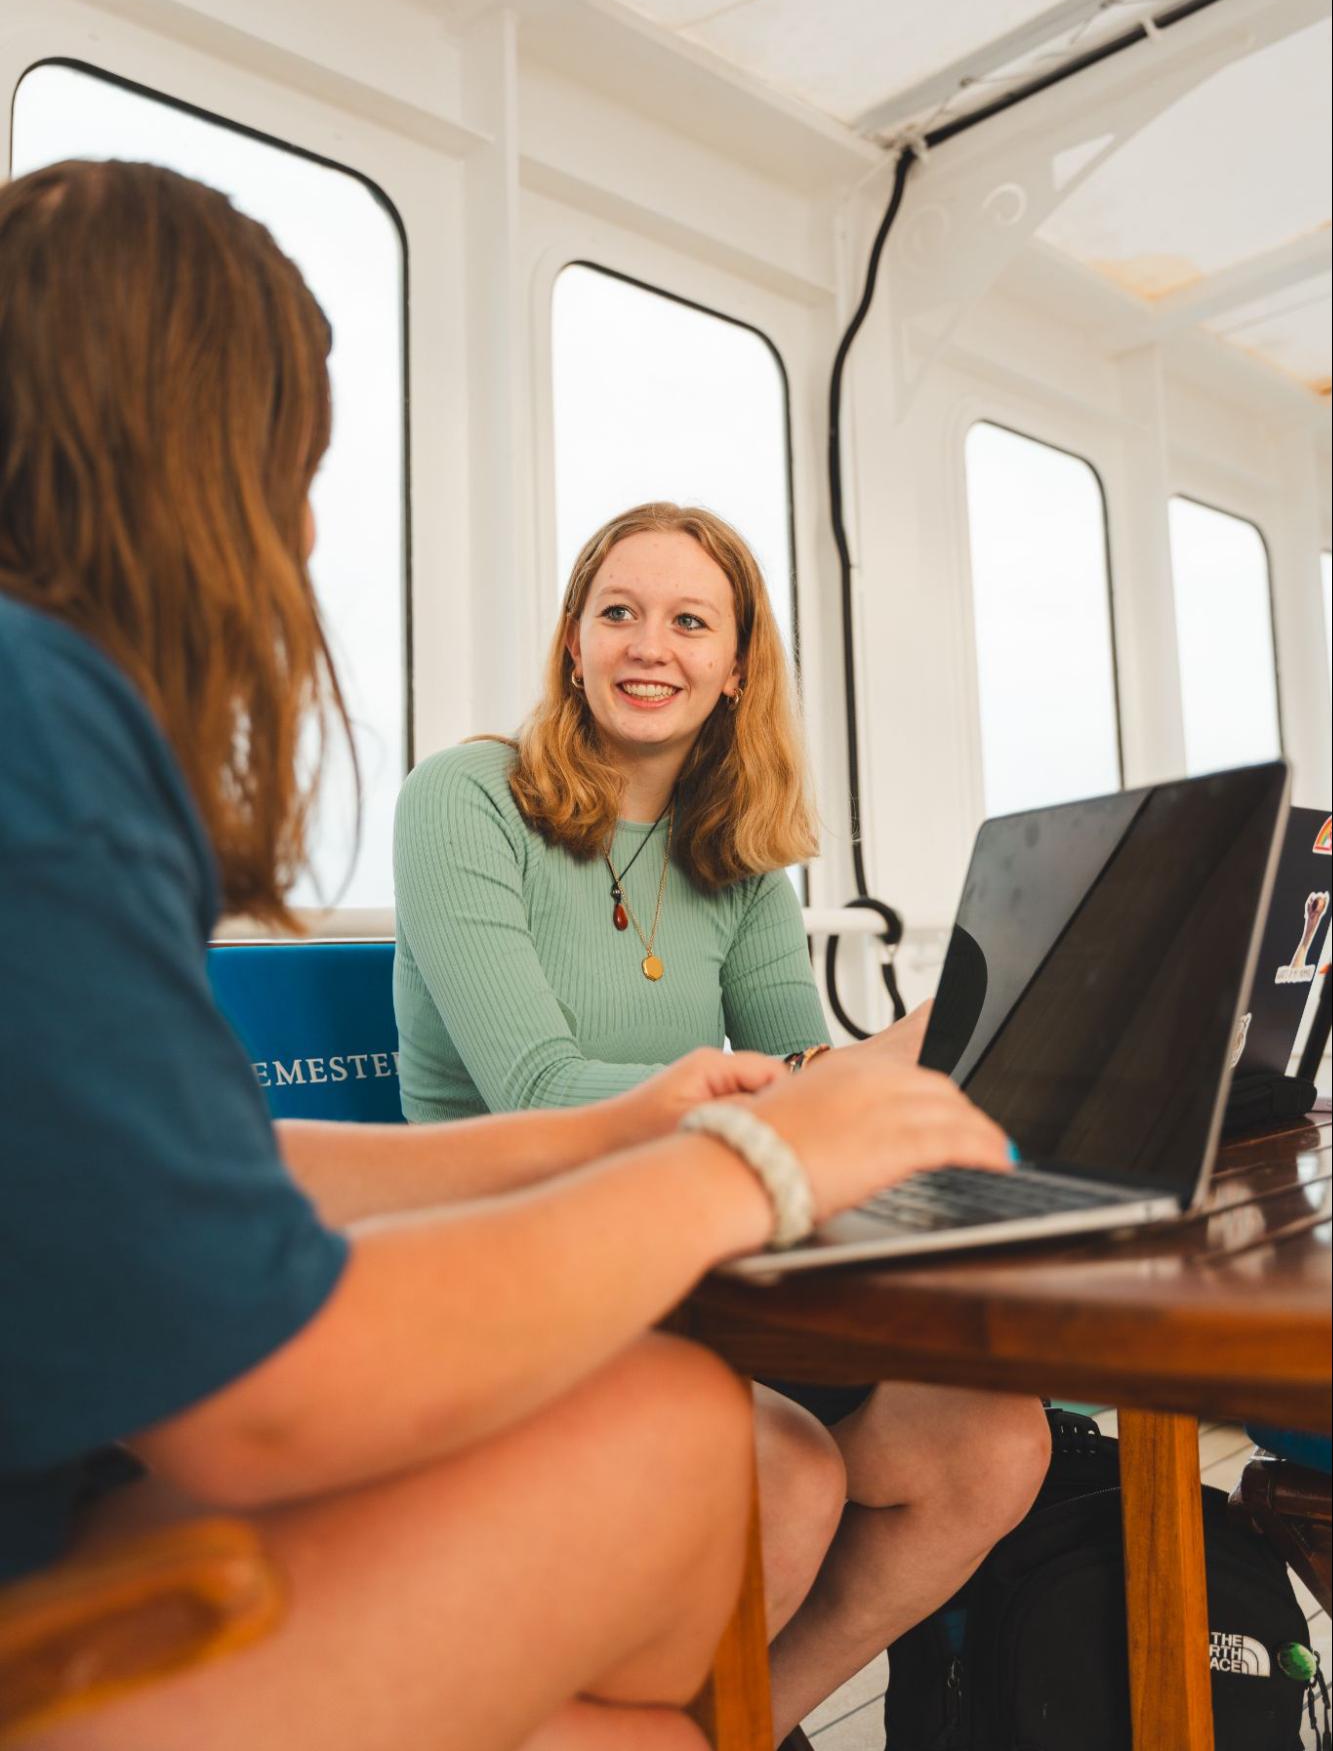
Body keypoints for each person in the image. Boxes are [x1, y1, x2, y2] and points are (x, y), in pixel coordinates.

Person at [0, 161, 1019, 1751]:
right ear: (184, 451)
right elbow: (255, 1392)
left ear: (738, 668)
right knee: (695, 1454)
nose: (306, 519)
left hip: (69, 1491)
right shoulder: (50, 736)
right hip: (56, 1572)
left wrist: (657, 1122)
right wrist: (744, 1152)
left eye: (691, 623)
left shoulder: (43, 726)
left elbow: (213, 1170)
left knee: (909, 1478)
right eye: (291, 463)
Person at [394, 501, 1052, 1739]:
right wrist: (821, 1078)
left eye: (691, 621)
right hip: (516, 1267)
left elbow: (801, 1068)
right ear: (574, 642)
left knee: (992, 1444)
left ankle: (731, 1727)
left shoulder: (739, 856)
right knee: (787, 1474)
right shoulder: (463, 798)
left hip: (695, 1265)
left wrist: (901, 1081)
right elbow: (535, 1087)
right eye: (619, 613)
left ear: (736, 665)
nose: (652, 646)